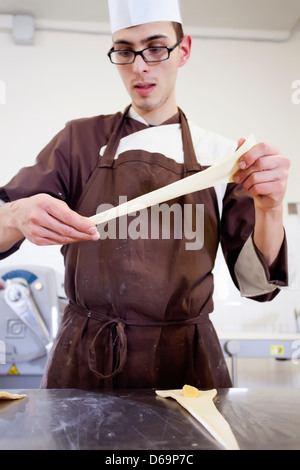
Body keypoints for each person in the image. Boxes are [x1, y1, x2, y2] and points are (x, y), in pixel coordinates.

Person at [0, 0, 290, 390]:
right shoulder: (79, 143)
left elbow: (256, 284)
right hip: (84, 357)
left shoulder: (221, 157)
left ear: (183, 50)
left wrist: (270, 210)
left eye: (155, 48)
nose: (139, 65)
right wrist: (16, 215)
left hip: (186, 362)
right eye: (124, 50)